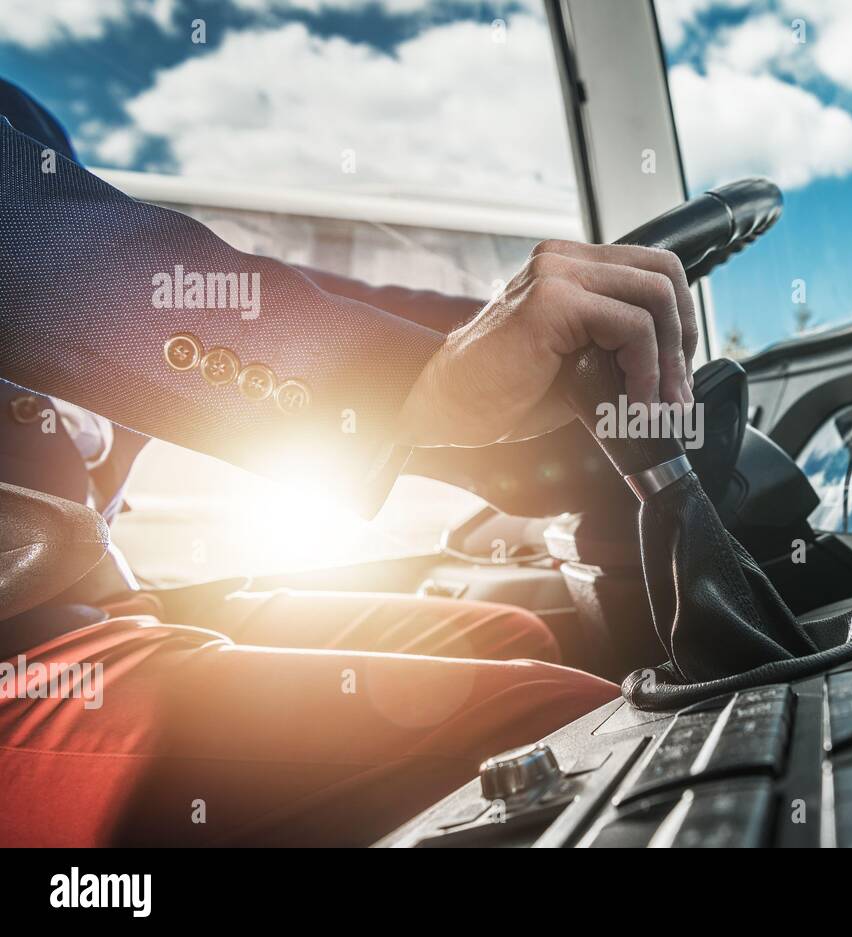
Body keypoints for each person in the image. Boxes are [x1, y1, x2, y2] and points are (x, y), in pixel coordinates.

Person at [0, 79, 697, 846]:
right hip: (23, 652)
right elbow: (45, 254)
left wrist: (477, 348)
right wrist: (410, 387)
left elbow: (125, 257)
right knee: (567, 728)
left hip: (113, 599)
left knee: (506, 637)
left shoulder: (25, 114)